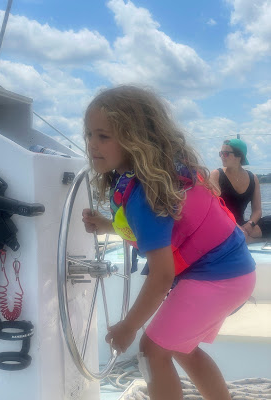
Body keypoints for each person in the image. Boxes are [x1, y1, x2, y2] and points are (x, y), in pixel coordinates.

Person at [82, 85, 256, 400]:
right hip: (235, 273)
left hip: (218, 277)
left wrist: (129, 326)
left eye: (103, 136)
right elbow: (156, 232)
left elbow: (162, 276)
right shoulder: (151, 177)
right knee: (181, 349)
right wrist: (107, 224)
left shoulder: (145, 194)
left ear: (136, 138)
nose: (92, 145)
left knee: (150, 351)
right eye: (89, 135)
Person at [210, 139, 271, 243]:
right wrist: (237, 228)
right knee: (230, 231)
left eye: (225, 154)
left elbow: (257, 210)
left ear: (239, 156)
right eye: (220, 153)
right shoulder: (216, 175)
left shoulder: (253, 178)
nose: (221, 156)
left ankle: (242, 237)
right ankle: (248, 239)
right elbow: (214, 210)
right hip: (223, 225)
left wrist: (249, 225)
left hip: (243, 226)